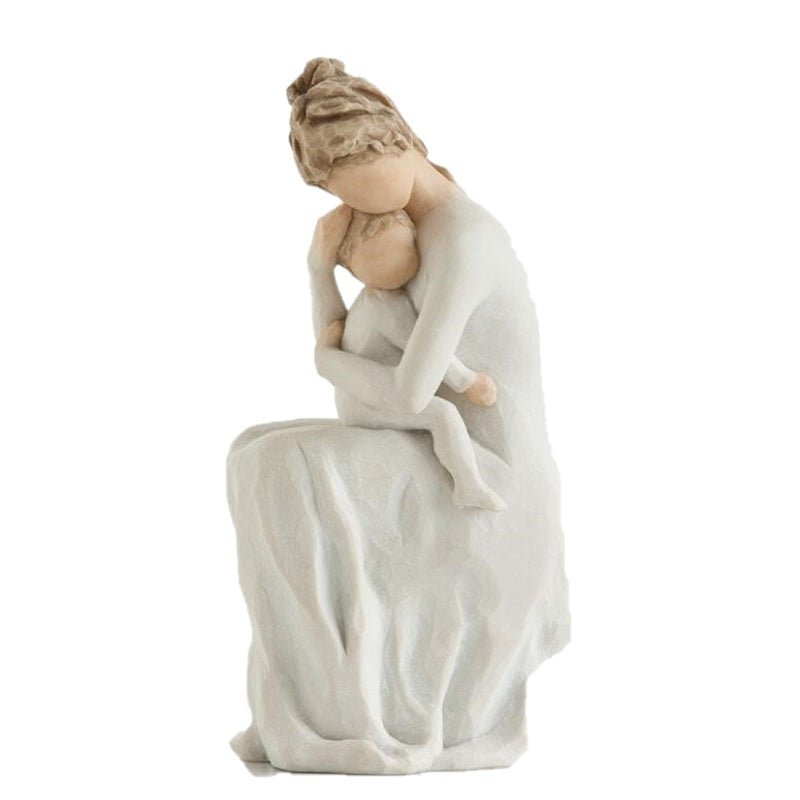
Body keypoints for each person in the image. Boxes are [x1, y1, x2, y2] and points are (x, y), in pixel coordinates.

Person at [227, 57, 571, 774]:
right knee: (251, 447)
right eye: (333, 190)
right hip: (417, 441)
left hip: (486, 473)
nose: (348, 204)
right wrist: (320, 271)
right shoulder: (399, 231)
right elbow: (349, 339)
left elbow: (413, 391)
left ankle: (345, 709)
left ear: (400, 142)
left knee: (277, 466)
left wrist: (330, 364)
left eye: (353, 180)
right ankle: (313, 701)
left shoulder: (464, 241)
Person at [325, 206, 507, 511]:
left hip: (365, 392)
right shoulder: (384, 305)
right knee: (443, 414)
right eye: (382, 255)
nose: (398, 261)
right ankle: (468, 485)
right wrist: (468, 382)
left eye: (405, 250)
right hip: (364, 401)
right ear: (353, 266)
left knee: (437, 411)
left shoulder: (377, 299)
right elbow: (426, 350)